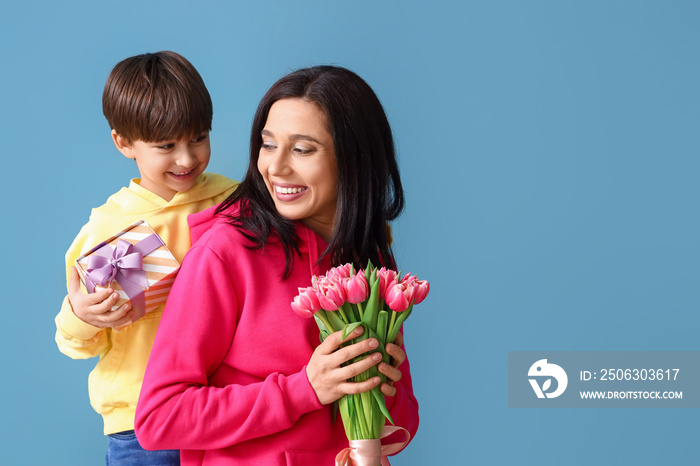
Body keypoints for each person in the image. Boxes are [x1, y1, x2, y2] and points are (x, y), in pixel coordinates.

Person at [135, 65, 419, 465]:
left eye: (302, 149)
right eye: (268, 145)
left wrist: (382, 393)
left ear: (354, 157)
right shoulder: (226, 252)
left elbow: (403, 423)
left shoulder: (370, 260)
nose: (276, 167)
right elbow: (159, 417)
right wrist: (304, 389)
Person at [54, 51, 237, 465]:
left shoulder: (234, 200)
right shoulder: (108, 226)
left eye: (199, 138)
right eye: (166, 146)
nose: (187, 158)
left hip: (223, 407)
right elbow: (74, 342)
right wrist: (82, 315)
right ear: (123, 143)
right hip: (141, 418)